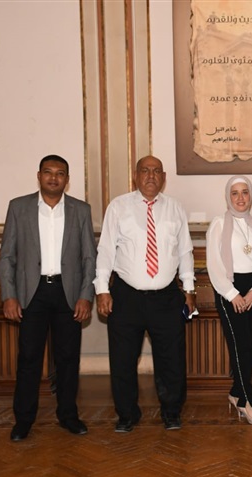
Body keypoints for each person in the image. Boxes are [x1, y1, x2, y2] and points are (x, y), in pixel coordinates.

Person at [94, 155, 196, 432]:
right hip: (126, 296)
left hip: (167, 297)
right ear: (135, 176)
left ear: (163, 177)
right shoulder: (118, 207)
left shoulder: (175, 208)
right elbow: (105, 250)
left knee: (171, 359)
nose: (151, 176)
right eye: (145, 171)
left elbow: (185, 251)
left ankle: (171, 412)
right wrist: (102, 289)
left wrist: (189, 289)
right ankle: (127, 415)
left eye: (156, 171)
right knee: (123, 359)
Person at [0, 154, 96, 441]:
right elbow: (7, 256)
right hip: (32, 293)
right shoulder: (19, 207)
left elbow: (89, 258)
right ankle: (23, 420)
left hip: (68, 294)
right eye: (48, 172)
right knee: (29, 358)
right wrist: (9, 296)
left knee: (68, 358)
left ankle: (68, 416)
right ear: (39, 176)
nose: (54, 177)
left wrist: (85, 295)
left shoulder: (81, 210)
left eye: (60, 173)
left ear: (67, 179)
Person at [206, 176, 252, 425]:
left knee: (250, 346)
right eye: (235, 193)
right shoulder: (219, 223)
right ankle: (247, 401)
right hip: (229, 290)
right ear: (228, 197)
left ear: (250, 195)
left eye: (245, 192)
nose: (240, 198)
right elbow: (214, 264)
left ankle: (235, 393)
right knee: (239, 345)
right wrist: (232, 294)